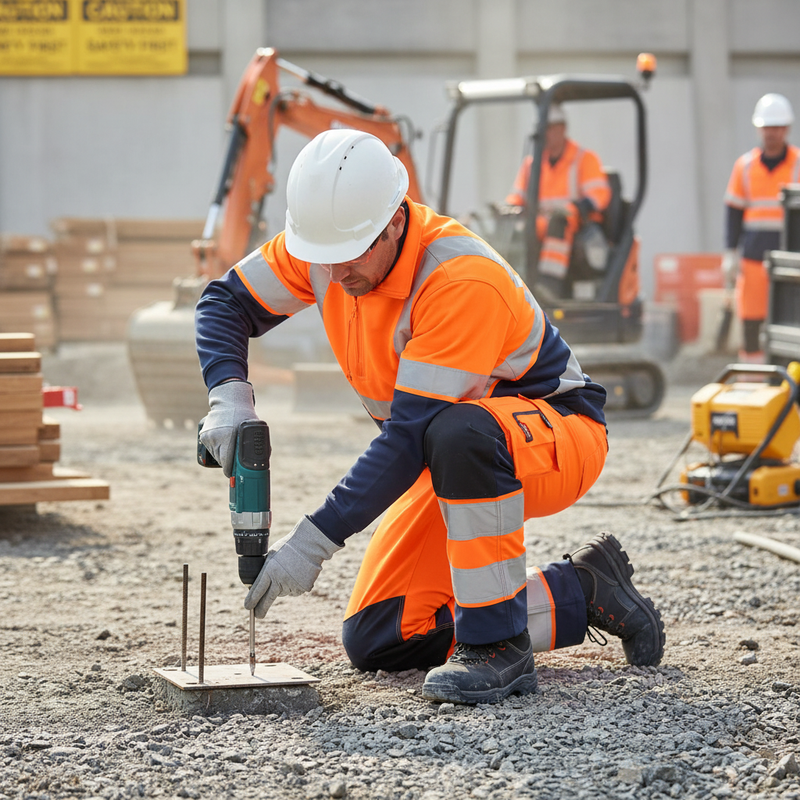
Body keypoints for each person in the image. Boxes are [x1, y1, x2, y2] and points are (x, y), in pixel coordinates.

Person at [195, 128, 665, 705]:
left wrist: (311, 543)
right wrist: (229, 396)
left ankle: (499, 650)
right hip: (444, 456)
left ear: (396, 220)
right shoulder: (332, 244)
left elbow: (410, 435)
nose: (336, 276)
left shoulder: (457, 279)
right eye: (323, 259)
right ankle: (585, 591)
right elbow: (225, 302)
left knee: (458, 431)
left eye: (351, 257)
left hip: (553, 439)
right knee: (381, 638)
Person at [723, 93, 800, 363]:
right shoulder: (744, 167)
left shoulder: (798, 164)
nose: (772, 133)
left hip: (791, 262)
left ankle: (787, 380)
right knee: (751, 324)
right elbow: (733, 211)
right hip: (754, 260)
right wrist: (730, 254)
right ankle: (754, 379)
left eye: (777, 127)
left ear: (787, 129)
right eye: (767, 127)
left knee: (792, 324)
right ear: (759, 129)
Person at [505, 103, 611, 298]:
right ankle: (508, 285)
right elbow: (517, 197)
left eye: (549, 129)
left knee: (558, 221)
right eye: (542, 130)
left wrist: (577, 208)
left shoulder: (584, 159)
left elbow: (599, 196)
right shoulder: (532, 164)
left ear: (561, 128)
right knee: (514, 228)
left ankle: (549, 287)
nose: (545, 134)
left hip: (577, 222)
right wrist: (508, 212)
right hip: (540, 222)